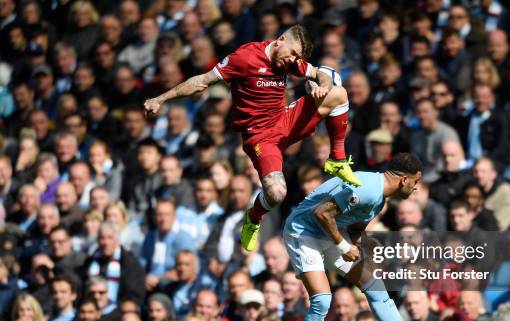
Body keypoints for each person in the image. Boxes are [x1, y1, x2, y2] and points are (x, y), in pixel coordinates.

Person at [143, 25, 360, 253]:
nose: (293, 60)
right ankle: (253, 217)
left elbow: (320, 72)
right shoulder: (245, 58)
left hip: (284, 120)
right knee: (276, 193)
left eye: (298, 57)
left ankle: (337, 158)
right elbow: (201, 81)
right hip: (260, 138)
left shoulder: (291, 61)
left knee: (338, 93)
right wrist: (161, 98)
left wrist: (323, 84)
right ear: (280, 40)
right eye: (292, 53)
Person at [282, 153, 438, 321]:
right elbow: (321, 213)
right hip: (303, 232)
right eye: (416, 182)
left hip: (329, 233)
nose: (416, 188)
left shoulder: (379, 200)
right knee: (322, 300)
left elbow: (353, 229)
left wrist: (365, 243)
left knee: (376, 288)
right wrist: (344, 245)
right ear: (404, 180)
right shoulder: (367, 188)